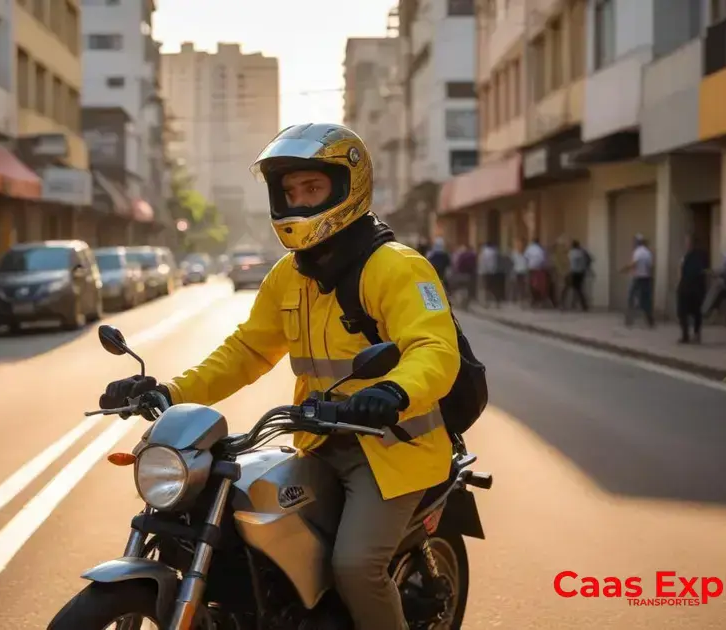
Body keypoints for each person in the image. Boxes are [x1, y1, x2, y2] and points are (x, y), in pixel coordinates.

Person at [101, 124, 460, 630]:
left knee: (355, 566)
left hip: (392, 448)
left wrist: (393, 391)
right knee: (250, 536)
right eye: (289, 192)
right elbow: (247, 350)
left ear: (346, 187)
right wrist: (168, 391)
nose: (298, 201)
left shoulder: (397, 267)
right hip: (319, 442)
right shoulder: (289, 275)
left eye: (311, 189)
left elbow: (434, 349)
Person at [676, 234, 709, 344]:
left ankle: (692, 334)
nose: (687, 244)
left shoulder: (697, 256)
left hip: (692, 287)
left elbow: (699, 271)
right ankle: (688, 334)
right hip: (690, 287)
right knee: (688, 312)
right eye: (686, 242)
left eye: (688, 242)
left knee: (691, 312)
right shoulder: (688, 255)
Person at [622, 234, 655, 328]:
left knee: (631, 297)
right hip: (646, 278)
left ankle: (629, 319)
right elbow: (651, 266)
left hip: (638, 277)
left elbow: (634, 263)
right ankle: (650, 320)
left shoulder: (638, 252)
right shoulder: (648, 252)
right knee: (646, 300)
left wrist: (625, 268)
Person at [564, 240, 591, 311]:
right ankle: (582, 305)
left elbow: (568, 263)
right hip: (581, 273)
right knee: (579, 289)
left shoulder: (571, 253)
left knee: (567, 288)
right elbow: (588, 260)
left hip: (573, 272)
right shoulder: (583, 252)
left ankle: (563, 304)